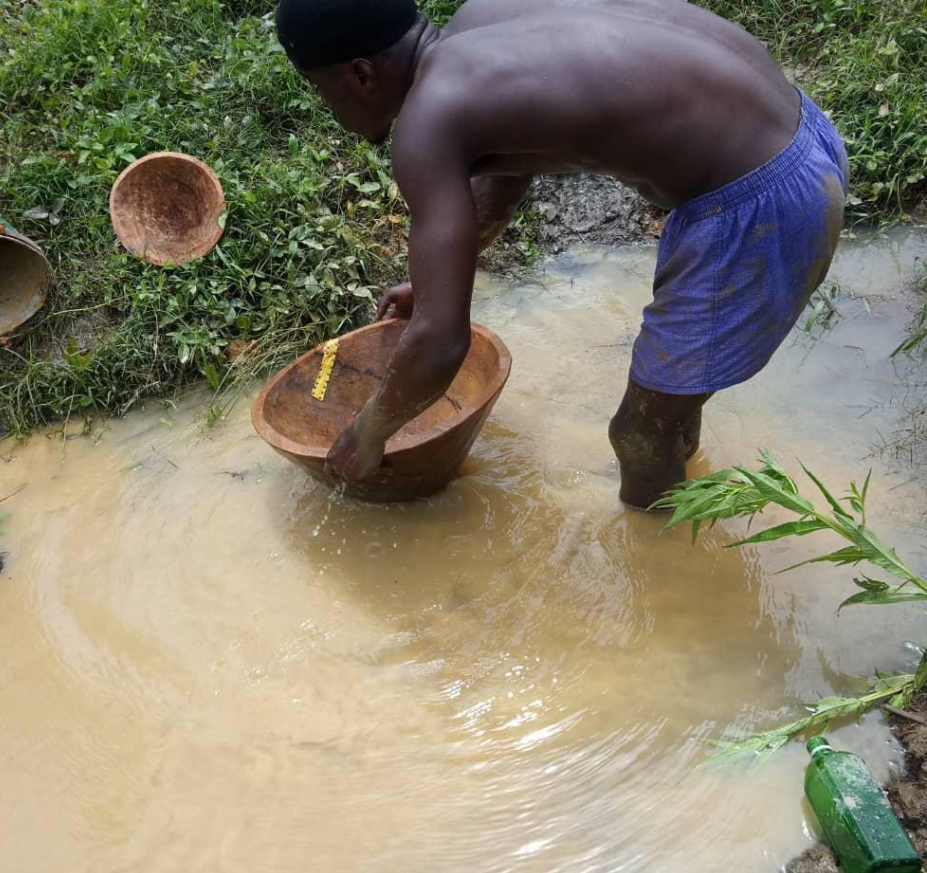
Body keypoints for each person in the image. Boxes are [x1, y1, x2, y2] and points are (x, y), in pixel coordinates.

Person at [274, 0, 848, 508]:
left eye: (321, 92)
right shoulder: (484, 22)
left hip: (759, 204)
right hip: (801, 130)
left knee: (639, 435)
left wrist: (367, 434)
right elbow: (508, 171)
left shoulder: (429, 120)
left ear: (361, 74)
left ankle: (670, 593)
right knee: (665, 408)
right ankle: (685, 480)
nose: (330, 109)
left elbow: (442, 344)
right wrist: (428, 292)